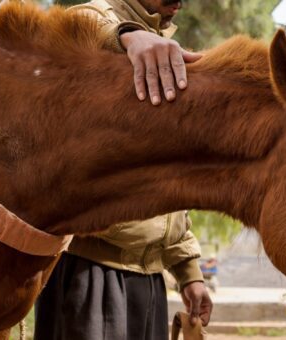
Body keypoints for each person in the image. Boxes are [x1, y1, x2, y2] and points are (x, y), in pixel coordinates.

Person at [34, 1, 212, 339]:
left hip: (148, 283)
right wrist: (129, 36)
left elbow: (166, 183)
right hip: (89, 276)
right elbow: (75, 25)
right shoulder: (98, 20)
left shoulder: (162, 45)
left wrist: (190, 275)